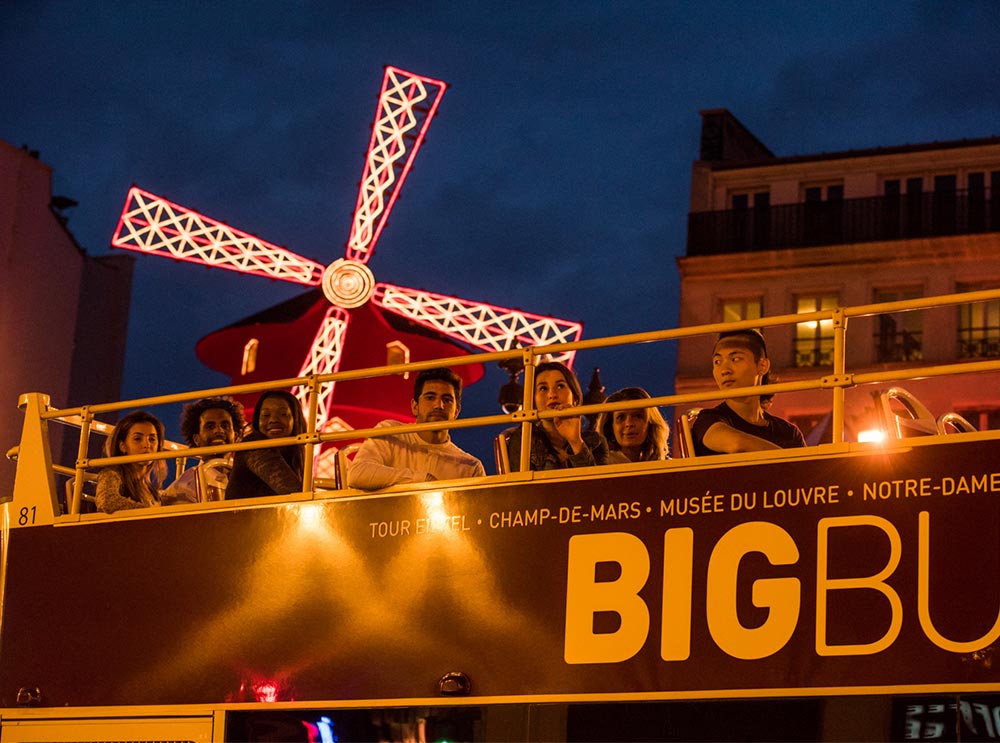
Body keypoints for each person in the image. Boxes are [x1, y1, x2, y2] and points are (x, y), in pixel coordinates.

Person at [347, 367, 486, 490]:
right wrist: (422, 479)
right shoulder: (391, 433)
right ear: (415, 406)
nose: (439, 405)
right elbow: (357, 474)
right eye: (430, 397)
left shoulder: (470, 467)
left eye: (447, 400)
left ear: (456, 411)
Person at [692, 329, 806, 456]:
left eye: (735, 359)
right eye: (717, 362)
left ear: (762, 366)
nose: (724, 370)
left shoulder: (789, 433)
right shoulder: (708, 420)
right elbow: (738, 444)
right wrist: (789, 460)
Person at [503, 361, 609, 471]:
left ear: (575, 398)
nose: (552, 394)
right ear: (532, 401)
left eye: (560, 386)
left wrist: (576, 442)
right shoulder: (523, 440)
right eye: (543, 388)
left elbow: (596, 486)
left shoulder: (597, 442)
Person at [161, 397, 246, 505]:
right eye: (210, 426)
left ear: (236, 435)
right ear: (197, 439)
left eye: (225, 425)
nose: (219, 431)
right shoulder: (183, 488)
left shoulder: (247, 477)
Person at [225, 390, 306, 499]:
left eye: (283, 414)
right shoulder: (253, 445)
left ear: (295, 419)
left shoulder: (295, 453)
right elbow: (294, 491)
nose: (273, 420)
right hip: (246, 515)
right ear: (257, 420)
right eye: (266, 415)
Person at [95, 410, 166, 513]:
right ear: (122, 446)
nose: (147, 444)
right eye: (137, 439)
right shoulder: (112, 475)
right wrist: (149, 512)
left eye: (152, 439)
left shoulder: (151, 489)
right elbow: (106, 502)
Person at [595, 386, 670, 464]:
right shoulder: (599, 464)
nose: (629, 423)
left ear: (650, 423)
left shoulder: (666, 465)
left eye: (638, 416)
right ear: (611, 427)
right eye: (621, 417)